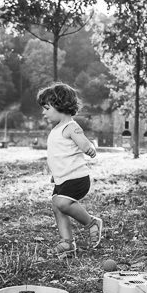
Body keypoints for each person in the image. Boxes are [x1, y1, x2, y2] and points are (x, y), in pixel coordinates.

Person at [37, 83, 102, 258]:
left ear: (59, 105)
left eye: (46, 108)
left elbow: (82, 141)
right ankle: (67, 243)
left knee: (62, 203)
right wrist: (55, 173)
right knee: (57, 207)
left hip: (77, 178)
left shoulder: (71, 127)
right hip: (62, 178)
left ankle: (92, 222)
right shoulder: (56, 129)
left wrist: (87, 148)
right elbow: (59, 154)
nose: (43, 112)